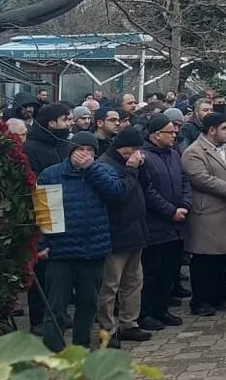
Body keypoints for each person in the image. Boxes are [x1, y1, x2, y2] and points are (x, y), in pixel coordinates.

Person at [37, 132, 124, 352]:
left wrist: (91, 169)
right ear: (71, 151)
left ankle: (81, 349)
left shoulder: (103, 171)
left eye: (90, 151)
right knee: (56, 306)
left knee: (87, 304)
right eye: (80, 149)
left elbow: (116, 193)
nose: (84, 154)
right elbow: (43, 212)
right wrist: (42, 243)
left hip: (93, 251)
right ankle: (53, 351)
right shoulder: (51, 174)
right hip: (61, 251)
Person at [182, 112, 226, 317]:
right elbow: (201, 179)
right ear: (212, 130)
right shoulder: (194, 152)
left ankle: (220, 295)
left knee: (223, 258)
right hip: (207, 214)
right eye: (224, 128)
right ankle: (201, 300)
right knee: (204, 260)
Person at [96, 127, 151, 346]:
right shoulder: (105, 165)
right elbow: (118, 194)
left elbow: (144, 186)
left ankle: (129, 323)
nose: (137, 153)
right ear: (122, 148)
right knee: (110, 285)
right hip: (116, 233)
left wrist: (140, 169)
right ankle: (107, 330)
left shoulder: (132, 165)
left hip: (135, 230)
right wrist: (131, 169)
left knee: (133, 282)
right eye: (134, 149)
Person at [24, 103, 74, 334]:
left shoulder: (63, 145)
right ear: (51, 123)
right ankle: (38, 318)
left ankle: (59, 311)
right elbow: (33, 184)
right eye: (65, 119)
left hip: (68, 210)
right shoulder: (31, 147)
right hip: (45, 209)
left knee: (62, 271)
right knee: (43, 270)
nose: (69, 123)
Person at [139, 113, 191, 331]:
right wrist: (170, 211)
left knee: (169, 271)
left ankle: (161, 308)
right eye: (170, 132)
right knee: (152, 273)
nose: (175, 135)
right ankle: (146, 313)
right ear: (156, 134)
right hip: (156, 225)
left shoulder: (174, 154)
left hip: (176, 226)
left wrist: (185, 204)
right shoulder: (144, 157)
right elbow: (148, 191)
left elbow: (185, 180)